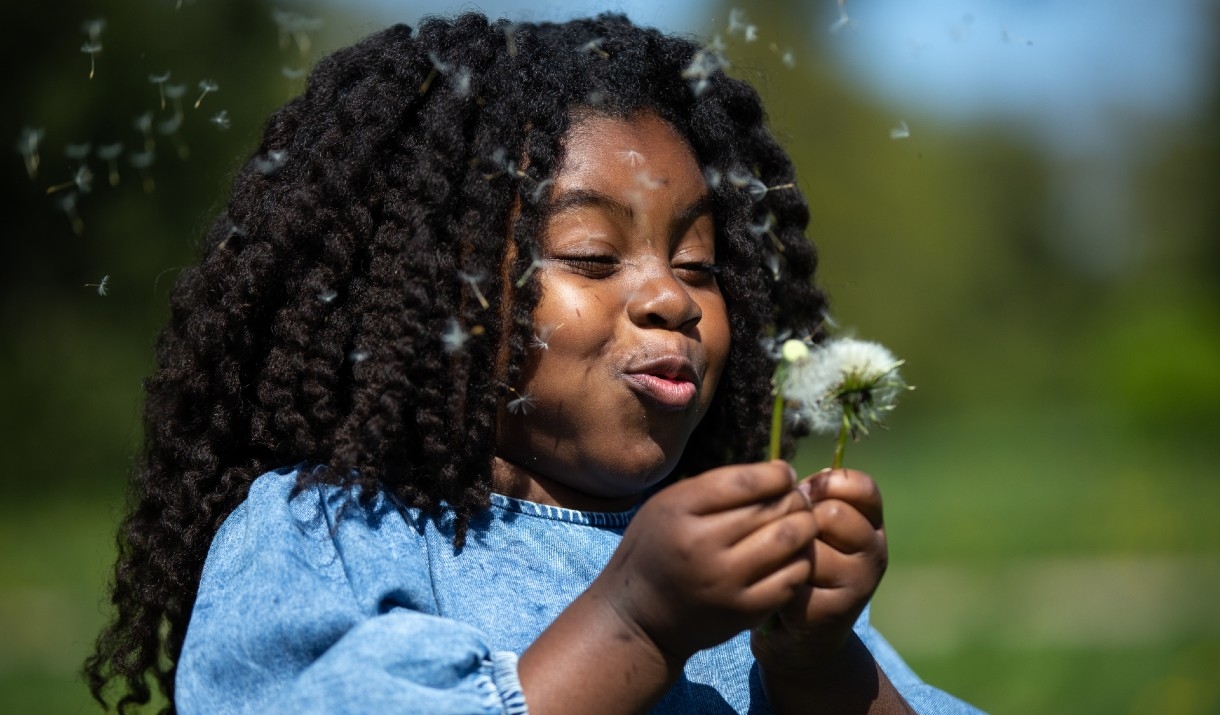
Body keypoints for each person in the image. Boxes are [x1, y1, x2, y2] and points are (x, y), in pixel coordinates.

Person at [85, 12, 984, 715]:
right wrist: (634, 619)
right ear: (436, 293)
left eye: (700, 265)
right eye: (593, 255)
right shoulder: (332, 534)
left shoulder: (748, 567)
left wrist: (819, 669)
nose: (671, 297)